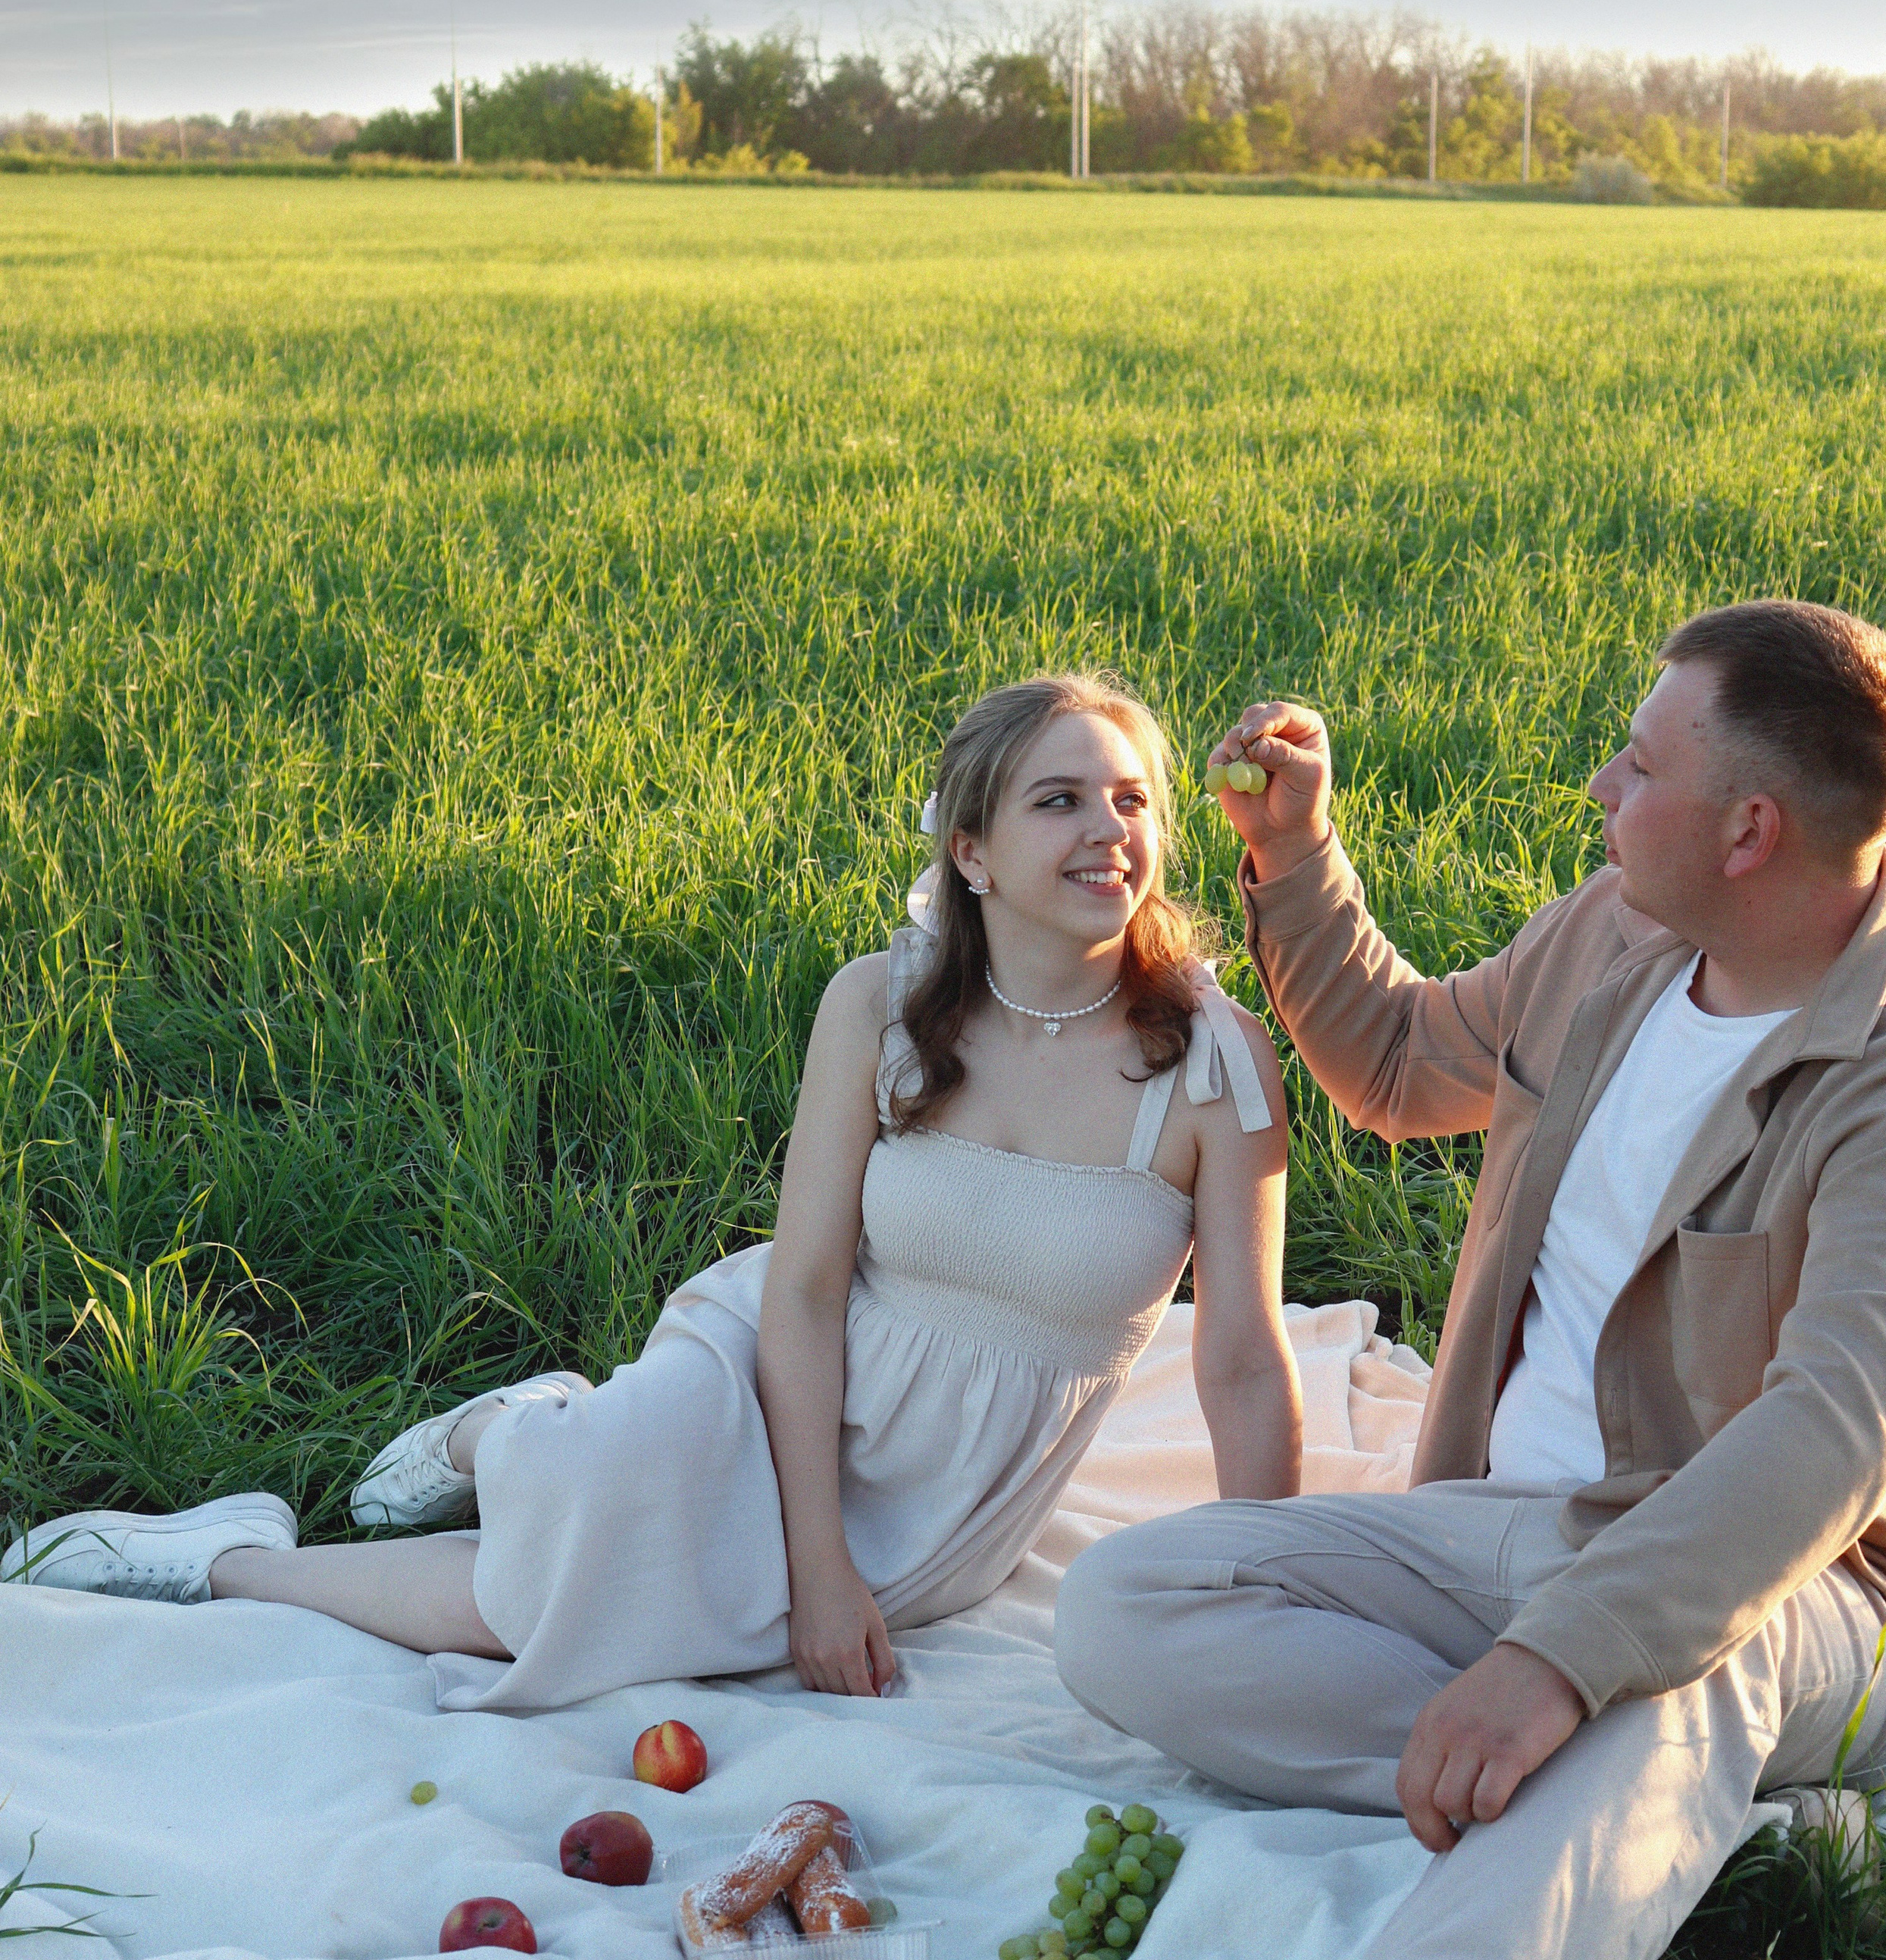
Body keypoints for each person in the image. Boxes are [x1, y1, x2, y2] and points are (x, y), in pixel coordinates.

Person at [1061, 600, 1886, 1960]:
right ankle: (1679, 1829)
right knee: (1128, 1603)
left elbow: (1838, 1427)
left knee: (1683, 1665)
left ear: (1749, 830)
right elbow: (1398, 1065)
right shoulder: (1613, 935)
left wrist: (1558, 1660)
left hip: (1809, 1596)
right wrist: (1294, 856)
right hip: (1499, 1523)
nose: (1602, 782)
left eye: (1640, 762)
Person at [6, 673, 1300, 1705]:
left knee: (602, 1607)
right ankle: (367, 1497)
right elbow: (805, 1289)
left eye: (1132, 800)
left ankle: (333, 1512)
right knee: (577, 1549)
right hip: (781, 1372)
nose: (1108, 831)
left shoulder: (1214, 1066)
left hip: (949, 1498)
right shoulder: (880, 1005)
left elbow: (1244, 1362)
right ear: (972, 851)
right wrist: (814, 1561)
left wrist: (1268, 1594)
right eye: (1060, 801)